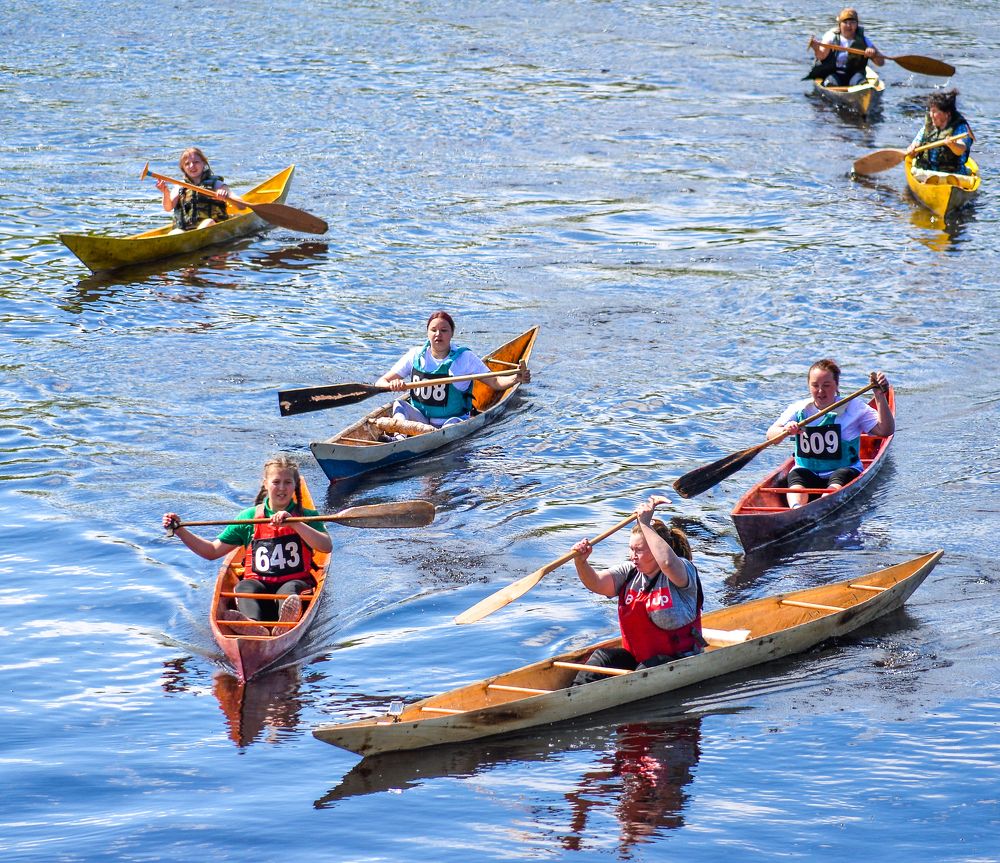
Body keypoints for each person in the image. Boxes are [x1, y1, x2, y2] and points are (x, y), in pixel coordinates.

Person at [162, 454, 332, 629]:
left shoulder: (307, 517)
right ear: (265, 483)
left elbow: (326, 546)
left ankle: (285, 625)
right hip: (259, 585)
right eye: (276, 482)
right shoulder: (248, 518)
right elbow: (211, 551)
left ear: (295, 485)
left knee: (289, 591)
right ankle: (253, 626)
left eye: (288, 482)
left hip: (295, 585)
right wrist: (180, 531)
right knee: (244, 586)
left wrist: (296, 523)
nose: (282, 488)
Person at [570, 495, 704, 686]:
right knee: (603, 657)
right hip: (638, 662)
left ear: (656, 548)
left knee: (648, 669)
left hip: (680, 660)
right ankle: (574, 695)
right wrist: (581, 562)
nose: (632, 556)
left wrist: (646, 524)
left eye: (638, 550)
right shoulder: (629, 573)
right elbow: (596, 583)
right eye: (631, 549)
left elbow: (666, 562)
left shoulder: (681, 570)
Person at [766, 360, 894, 509]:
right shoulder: (799, 409)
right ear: (809, 386)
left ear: (836, 386)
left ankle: (823, 505)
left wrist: (879, 396)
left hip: (843, 470)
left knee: (839, 476)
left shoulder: (854, 407)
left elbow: (885, 430)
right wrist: (785, 430)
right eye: (815, 386)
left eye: (826, 386)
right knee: (796, 476)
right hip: (807, 471)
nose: (820, 391)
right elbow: (771, 435)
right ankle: (796, 509)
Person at [374, 311, 530, 433]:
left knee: (449, 427)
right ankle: (398, 436)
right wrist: (393, 384)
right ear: (427, 333)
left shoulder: (465, 358)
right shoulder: (415, 355)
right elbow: (380, 383)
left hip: (451, 422)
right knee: (399, 404)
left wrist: (516, 378)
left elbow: (496, 382)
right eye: (433, 330)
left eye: (444, 330)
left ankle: (413, 437)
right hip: (420, 421)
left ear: (452, 333)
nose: (438, 334)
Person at [156, 146, 231, 233]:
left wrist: (225, 195)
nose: (192, 166)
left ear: (203, 163)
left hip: (212, 227)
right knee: (176, 232)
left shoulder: (217, 184)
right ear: (183, 168)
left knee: (208, 222)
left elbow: (241, 205)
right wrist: (165, 192)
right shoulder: (179, 186)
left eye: (196, 162)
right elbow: (168, 208)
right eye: (187, 164)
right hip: (185, 230)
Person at [805, 8, 884, 87]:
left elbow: (881, 63)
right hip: (833, 73)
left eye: (852, 22)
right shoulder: (831, 37)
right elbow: (821, 56)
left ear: (857, 24)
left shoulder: (864, 40)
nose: (849, 26)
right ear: (839, 24)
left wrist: (873, 54)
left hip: (854, 74)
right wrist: (816, 48)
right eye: (845, 22)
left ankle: (860, 92)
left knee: (860, 82)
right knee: (831, 82)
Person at [907, 89, 975, 178]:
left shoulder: (960, 128)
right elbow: (917, 142)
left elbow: (961, 149)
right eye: (930, 111)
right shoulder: (929, 127)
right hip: (926, 172)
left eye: (934, 112)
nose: (931, 115)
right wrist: (913, 149)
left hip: (951, 175)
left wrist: (952, 145)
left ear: (947, 114)